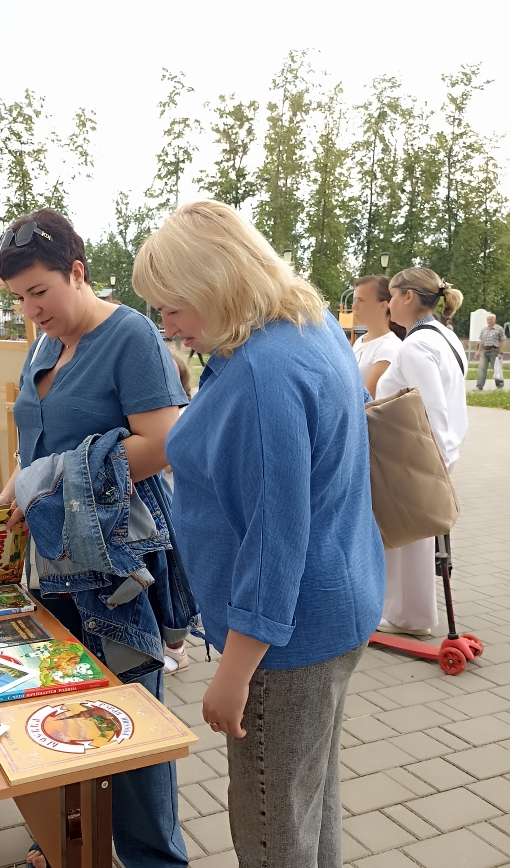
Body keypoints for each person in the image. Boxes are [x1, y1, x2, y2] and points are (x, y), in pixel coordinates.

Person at [133, 200, 385, 867]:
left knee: (273, 828)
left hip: (285, 642)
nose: (168, 328)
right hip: (336, 606)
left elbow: (276, 543)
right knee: (308, 805)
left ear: (216, 282)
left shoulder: (262, 372)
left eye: (173, 308)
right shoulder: (306, 324)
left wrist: (234, 673)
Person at [0, 208, 194, 868]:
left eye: (40, 292)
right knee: (58, 704)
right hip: (51, 558)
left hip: (111, 560)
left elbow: (164, 444)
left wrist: (48, 482)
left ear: (77, 272)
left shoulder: (131, 336)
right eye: (19, 298)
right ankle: (63, 841)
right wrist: (10, 491)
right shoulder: (46, 343)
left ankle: (153, 859)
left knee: (128, 719)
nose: (31, 310)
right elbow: (36, 443)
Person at [376, 267, 467, 635]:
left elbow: (431, 408)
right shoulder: (445, 337)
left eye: (392, 295)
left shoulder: (416, 345)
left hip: (417, 453)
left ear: (408, 297)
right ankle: (407, 613)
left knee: (407, 539)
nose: (389, 304)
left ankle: (410, 617)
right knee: (412, 538)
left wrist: (435, 462)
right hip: (431, 451)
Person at [351, 275, 404, 398]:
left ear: (383, 305)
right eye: (355, 300)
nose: (354, 307)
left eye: (361, 300)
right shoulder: (360, 341)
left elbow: (367, 398)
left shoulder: (389, 347)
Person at [475, 312, 505, 390]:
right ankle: (479, 387)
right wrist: (478, 351)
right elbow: (481, 341)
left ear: (494, 320)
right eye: (488, 319)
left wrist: (501, 353)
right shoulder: (484, 329)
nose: (489, 321)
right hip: (484, 351)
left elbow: (502, 341)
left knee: (496, 369)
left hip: (494, 351)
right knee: (482, 369)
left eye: (491, 319)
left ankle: (500, 386)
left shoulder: (499, 329)